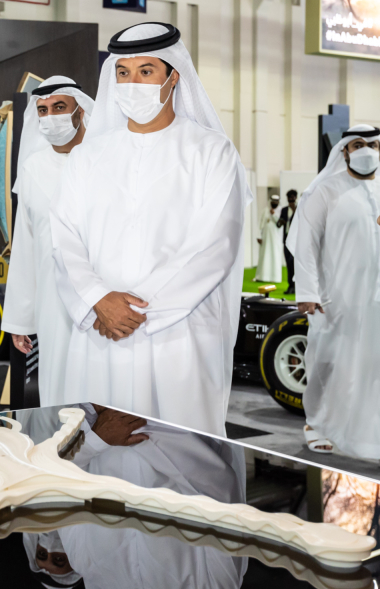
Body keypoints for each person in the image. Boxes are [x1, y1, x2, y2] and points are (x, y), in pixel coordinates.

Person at [51, 22, 251, 436]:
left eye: (146, 71)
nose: (133, 83)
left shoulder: (211, 151)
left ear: (173, 76)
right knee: (94, 455)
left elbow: (216, 245)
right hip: (99, 330)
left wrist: (135, 311)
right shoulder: (88, 155)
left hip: (177, 334)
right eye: (123, 72)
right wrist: (98, 299)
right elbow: (64, 236)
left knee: (178, 455)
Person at [59, 407, 246, 589]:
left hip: (98, 410)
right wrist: (142, 426)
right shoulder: (214, 587)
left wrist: (96, 438)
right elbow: (219, 493)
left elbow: (58, 484)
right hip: (175, 413)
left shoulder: (87, 565)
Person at [288, 125, 380, 458]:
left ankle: (372, 435)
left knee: (374, 366)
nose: (366, 150)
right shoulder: (325, 190)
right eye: (357, 145)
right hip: (335, 297)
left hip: (378, 298)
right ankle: (317, 424)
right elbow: (306, 242)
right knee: (328, 362)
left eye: (373, 144)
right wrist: (307, 291)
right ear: (344, 151)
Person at [2, 76, 94, 407]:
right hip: (51, 305)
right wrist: (20, 319)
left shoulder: (105, 160)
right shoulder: (32, 168)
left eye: (59, 107)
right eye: (43, 110)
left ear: (80, 110)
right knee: (57, 395)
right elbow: (25, 248)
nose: (50, 116)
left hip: (100, 302)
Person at [254, 194, 283, 283]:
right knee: (264, 256)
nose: (274, 203)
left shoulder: (281, 211)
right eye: (273, 201)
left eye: (276, 201)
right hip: (265, 238)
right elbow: (260, 223)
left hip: (276, 239)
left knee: (275, 256)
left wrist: (274, 215)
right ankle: (262, 276)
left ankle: (275, 277)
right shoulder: (265, 210)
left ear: (278, 202)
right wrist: (259, 236)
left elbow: (280, 224)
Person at [277, 189, 299, 294]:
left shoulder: (299, 209)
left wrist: (295, 211)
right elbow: (278, 224)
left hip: (296, 242)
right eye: (289, 199)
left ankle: (296, 286)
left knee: (295, 264)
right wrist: (281, 222)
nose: (291, 201)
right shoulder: (284, 210)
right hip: (286, 241)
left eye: (292, 199)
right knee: (288, 264)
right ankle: (290, 285)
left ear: (296, 198)